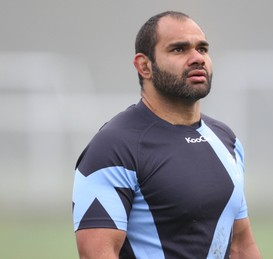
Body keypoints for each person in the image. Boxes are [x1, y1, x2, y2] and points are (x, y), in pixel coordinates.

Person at [72, 11, 262, 259]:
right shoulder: (114, 147)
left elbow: (241, 246)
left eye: (202, 49)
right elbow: (96, 254)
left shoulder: (227, 141)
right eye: (179, 50)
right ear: (144, 65)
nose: (197, 58)